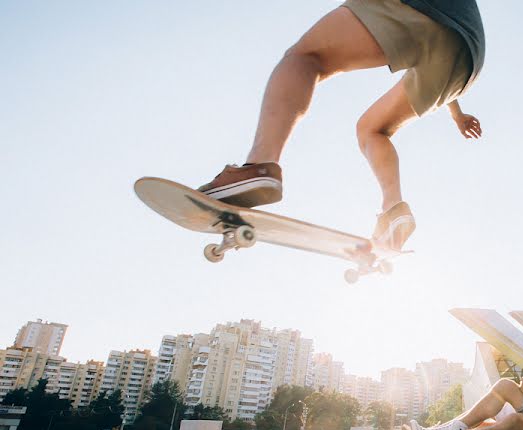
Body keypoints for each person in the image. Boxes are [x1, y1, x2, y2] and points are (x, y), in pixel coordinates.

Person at [196, 0, 485, 252]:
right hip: (466, 57)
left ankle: (259, 166)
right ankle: (394, 211)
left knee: (305, 57)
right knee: (372, 129)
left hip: (420, 8)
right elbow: (443, 35)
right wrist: (456, 114)